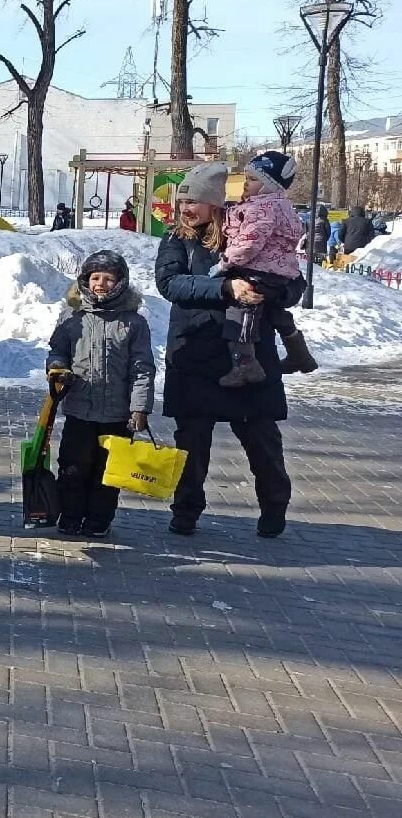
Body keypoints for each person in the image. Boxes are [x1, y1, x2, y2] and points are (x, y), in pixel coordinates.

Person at [156, 162, 298, 538]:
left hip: (248, 350)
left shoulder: (249, 229)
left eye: (195, 201)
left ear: (216, 203)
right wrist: (225, 289)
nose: (186, 208)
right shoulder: (177, 239)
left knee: (262, 438)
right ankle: (185, 511)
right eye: (182, 199)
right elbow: (171, 284)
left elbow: (292, 281)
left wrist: (271, 291)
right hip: (196, 350)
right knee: (192, 441)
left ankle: (274, 508)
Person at [45, 250, 155, 538]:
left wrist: (139, 408)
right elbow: (57, 351)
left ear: (121, 283)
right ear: (85, 280)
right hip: (80, 409)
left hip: (117, 414)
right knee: (72, 467)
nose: (101, 284)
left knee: (108, 472)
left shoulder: (133, 323)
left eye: (108, 279)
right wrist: (57, 368)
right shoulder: (73, 318)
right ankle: (69, 516)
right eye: (95, 278)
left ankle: (98, 520)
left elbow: (142, 368)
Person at [211, 151, 315, 386]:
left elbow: (249, 242)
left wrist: (225, 261)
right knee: (275, 310)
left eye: (253, 179)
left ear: (270, 185)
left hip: (258, 270)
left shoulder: (262, 208)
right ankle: (300, 354)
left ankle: (246, 364)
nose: (246, 183)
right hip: (280, 271)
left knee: (242, 310)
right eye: (246, 178)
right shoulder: (283, 206)